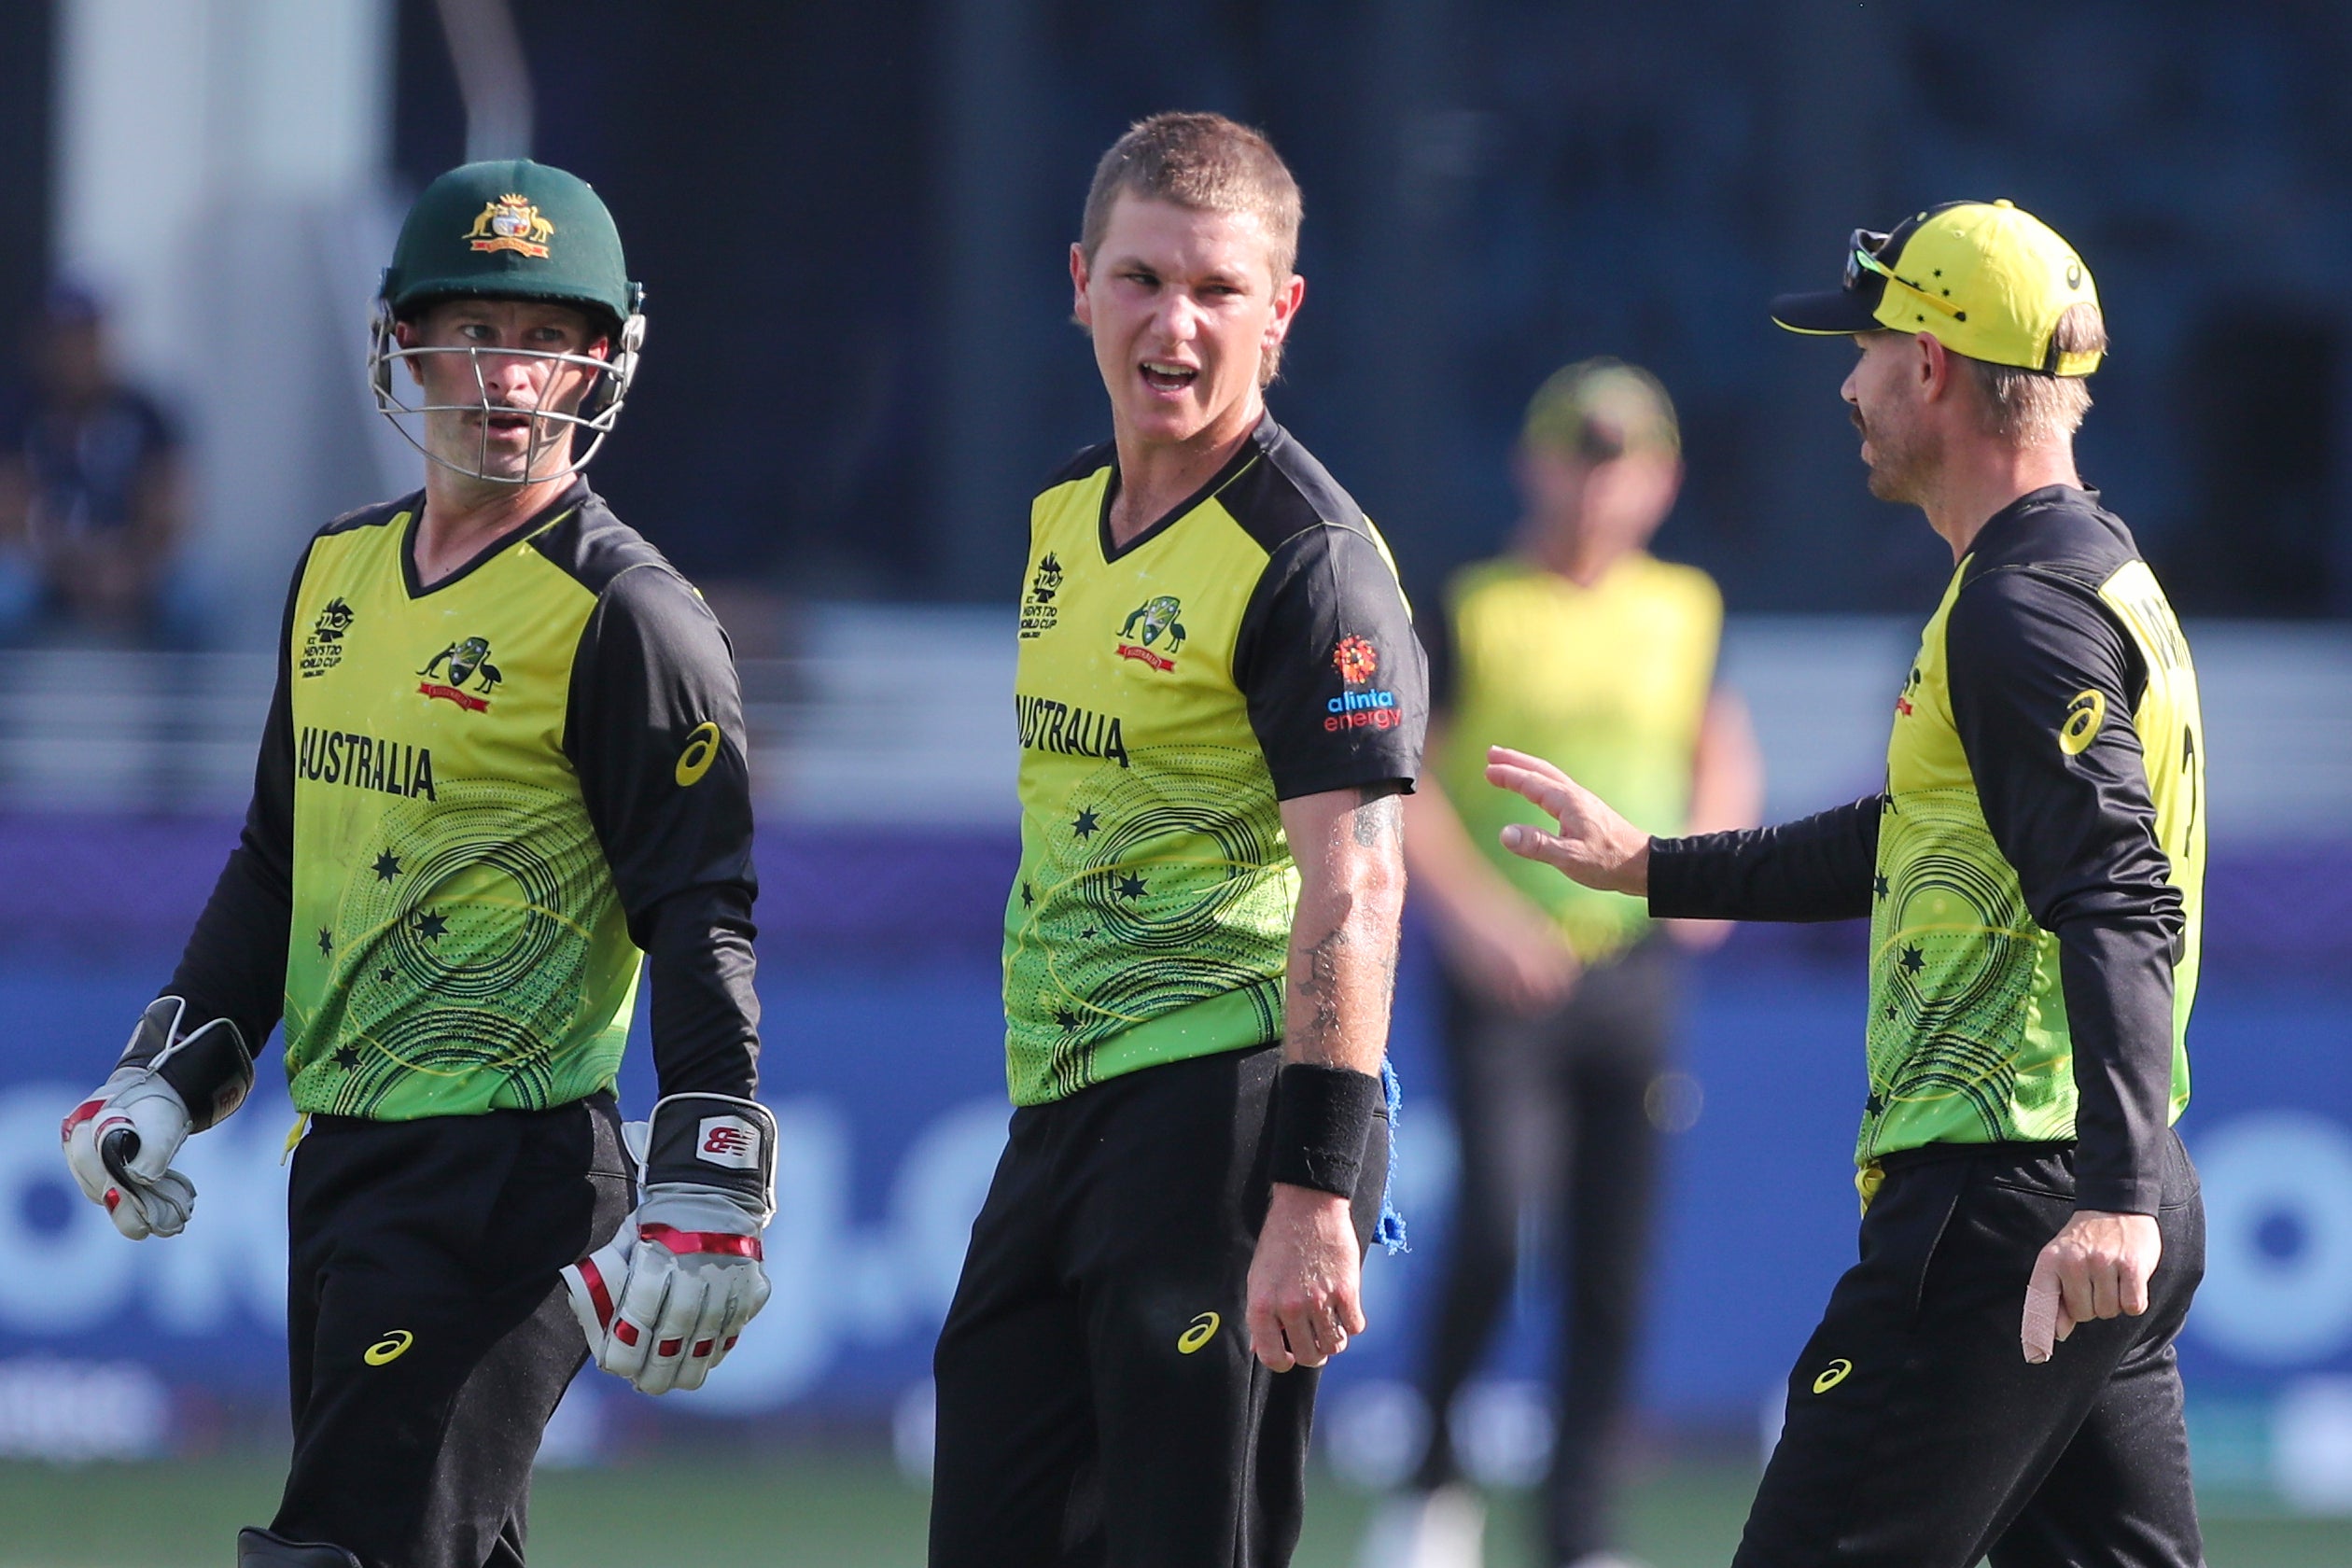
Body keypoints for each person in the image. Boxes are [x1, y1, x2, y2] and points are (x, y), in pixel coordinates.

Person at [57, 160, 774, 1568]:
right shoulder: (335, 573)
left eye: (549, 338)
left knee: (342, 1551)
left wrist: (713, 1166)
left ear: (602, 358)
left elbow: (703, 912)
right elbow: (279, 857)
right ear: (403, 341)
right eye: (477, 331)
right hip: (346, 1165)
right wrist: (171, 1063)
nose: (510, 376)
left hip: (511, 1175)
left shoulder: (627, 614)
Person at [1485, 201, 2207, 1568]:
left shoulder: (2017, 609)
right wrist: (1652, 865)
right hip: (2097, 1182)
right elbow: (1917, 840)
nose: (1847, 383)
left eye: (1869, 347)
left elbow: (2118, 900)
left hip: (2016, 1199)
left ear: (1933, 366)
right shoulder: (2086, 574)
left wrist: (2106, 1194)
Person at [927, 112, 1428, 1568]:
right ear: (1081, 281)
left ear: (1282, 313)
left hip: (1224, 1121)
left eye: (1217, 289)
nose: (1175, 324)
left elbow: (1359, 882)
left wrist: (1316, 1191)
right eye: (1143, 279)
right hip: (1057, 1118)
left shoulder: (1309, 560)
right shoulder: (1059, 519)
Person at [1366, 360, 1762, 1568]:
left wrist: (1706, 871)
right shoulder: (1471, 600)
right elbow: (1406, 775)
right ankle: (1434, 1483)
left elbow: (1717, 737)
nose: (1597, 488)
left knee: (1613, 1266)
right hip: (1506, 973)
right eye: (1576, 458)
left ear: (1662, 479)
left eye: (1622, 463)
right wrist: (1479, 920)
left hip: (1630, 971)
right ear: (1533, 464)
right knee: (1492, 1226)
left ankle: (1579, 1537)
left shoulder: (1684, 606)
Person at [0, 282, 188, 644]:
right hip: (43, 565)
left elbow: (170, 507)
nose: (75, 352)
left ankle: (180, 703)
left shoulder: (146, 412)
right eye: (63, 339)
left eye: (85, 337)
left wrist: (131, 564)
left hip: (130, 562)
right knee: (7, 597)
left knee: (196, 598)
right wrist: (72, 569)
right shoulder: (17, 411)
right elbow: (8, 512)